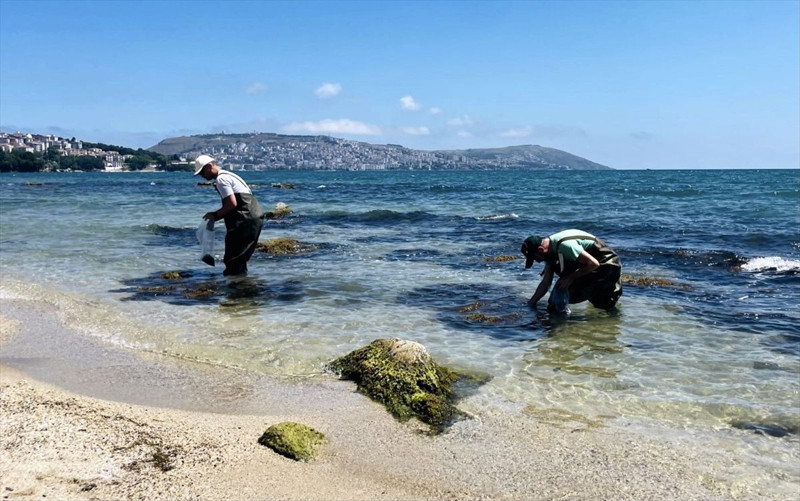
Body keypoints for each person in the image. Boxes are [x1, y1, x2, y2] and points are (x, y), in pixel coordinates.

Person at [521, 229, 622, 313]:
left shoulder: (564, 246)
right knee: (603, 306)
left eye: (536, 259)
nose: (538, 261)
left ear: (541, 250)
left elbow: (593, 263)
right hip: (593, 265)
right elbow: (545, 282)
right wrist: (531, 303)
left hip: (607, 265)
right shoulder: (550, 250)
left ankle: (560, 329)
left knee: (557, 301)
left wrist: (570, 278)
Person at [194, 154, 264, 276]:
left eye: (202, 172)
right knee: (240, 258)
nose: (202, 176)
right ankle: (243, 287)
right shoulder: (229, 175)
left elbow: (231, 204)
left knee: (233, 260)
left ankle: (234, 290)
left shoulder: (221, 180)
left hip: (245, 219)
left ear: (209, 167)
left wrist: (215, 216)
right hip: (254, 217)